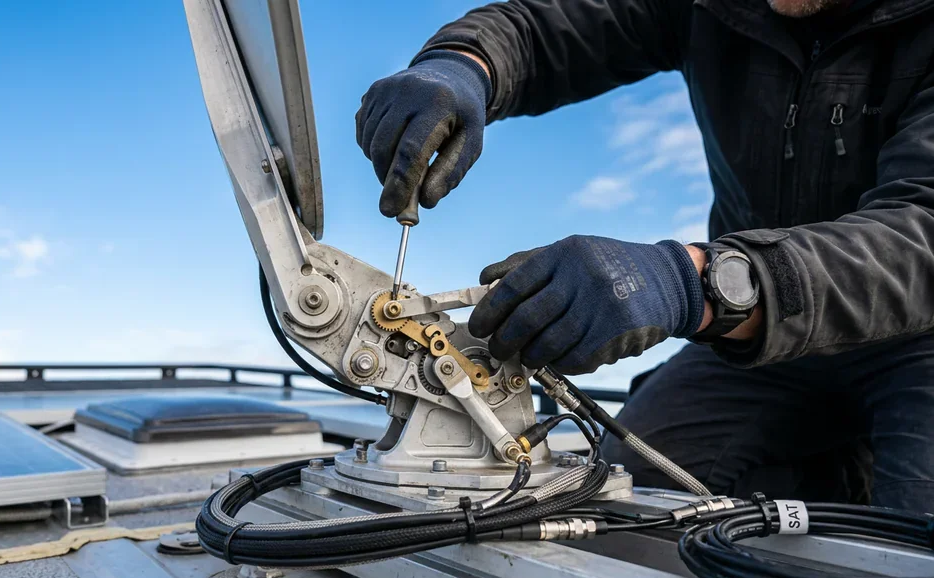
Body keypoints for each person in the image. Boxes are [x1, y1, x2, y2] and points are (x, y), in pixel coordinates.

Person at [355, 0, 934, 512]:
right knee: (638, 483)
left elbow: (921, 235)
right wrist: (461, 63)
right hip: (760, 341)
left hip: (915, 339)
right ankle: (833, 477)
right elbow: (545, 27)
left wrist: (698, 285)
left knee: (909, 558)